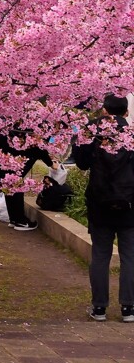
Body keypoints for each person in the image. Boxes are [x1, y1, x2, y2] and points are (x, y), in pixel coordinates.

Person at [73, 93, 134, 323]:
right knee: (130, 256)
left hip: (100, 201)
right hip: (129, 202)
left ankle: (99, 308)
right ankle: (128, 308)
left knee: (100, 255)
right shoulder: (131, 133)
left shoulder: (90, 132)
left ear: (104, 110)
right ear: (126, 112)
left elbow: (80, 162)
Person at [0, 128, 53, 231]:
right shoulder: (37, 127)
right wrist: (50, 163)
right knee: (15, 184)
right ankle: (19, 221)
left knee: (11, 184)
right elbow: (39, 146)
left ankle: (15, 219)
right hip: (9, 156)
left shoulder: (17, 123)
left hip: (0, 154)